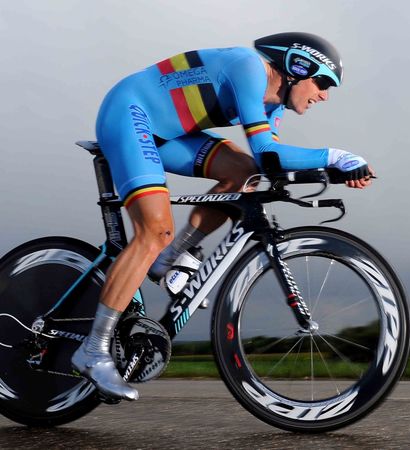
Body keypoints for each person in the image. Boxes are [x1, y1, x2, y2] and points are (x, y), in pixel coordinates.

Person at [72, 32, 374, 401]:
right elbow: (267, 152)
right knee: (154, 231)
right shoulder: (248, 68)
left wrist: (336, 171)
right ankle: (93, 350)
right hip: (128, 113)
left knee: (244, 172)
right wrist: (336, 156)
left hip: (165, 133)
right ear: (298, 67)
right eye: (323, 84)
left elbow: (269, 162)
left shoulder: (274, 106)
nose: (324, 96)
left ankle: (169, 258)